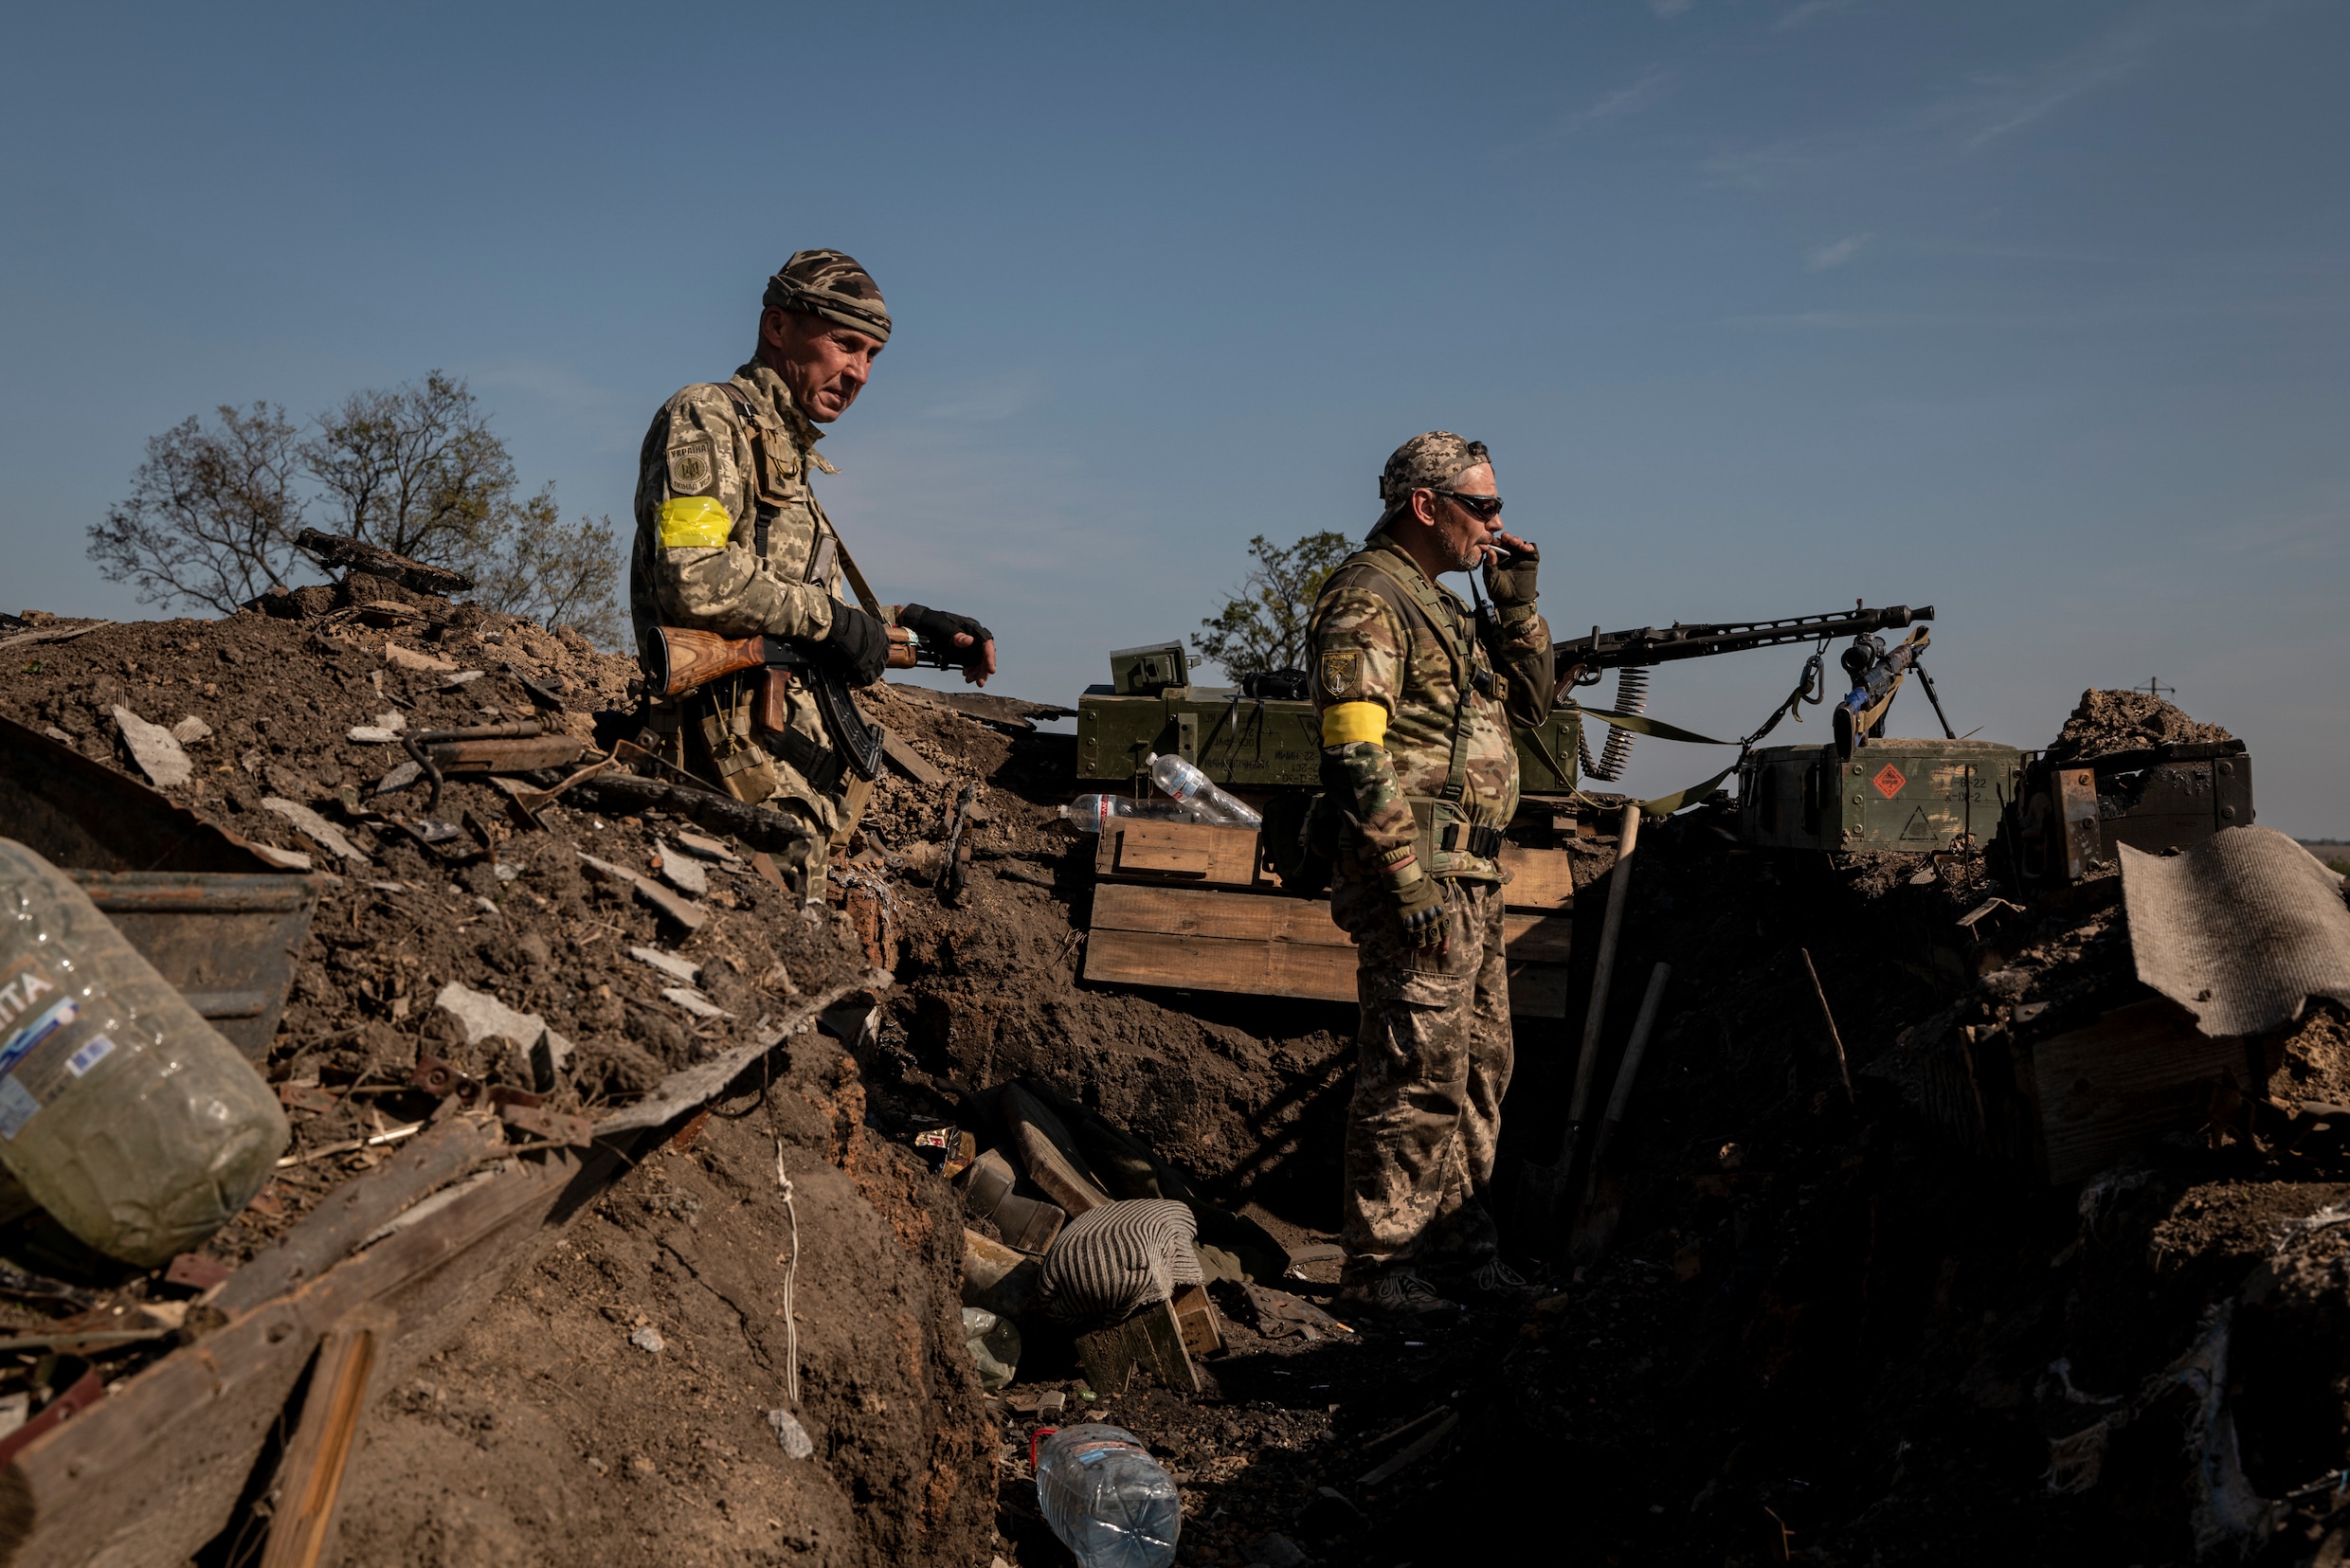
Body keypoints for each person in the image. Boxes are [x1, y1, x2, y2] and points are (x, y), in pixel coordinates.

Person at [628, 249, 995, 900]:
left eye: (872, 356)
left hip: (776, 742)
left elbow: (794, 610)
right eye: (844, 344)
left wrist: (909, 625)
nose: (858, 372)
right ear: (778, 326)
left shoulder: (786, 451)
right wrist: (833, 620)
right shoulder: (708, 416)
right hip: (722, 736)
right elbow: (695, 576)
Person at [1307, 432, 1555, 1317]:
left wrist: (1518, 608)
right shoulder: (1371, 597)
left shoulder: (1445, 607)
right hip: (1419, 873)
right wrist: (1405, 878)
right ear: (1426, 504)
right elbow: (1352, 748)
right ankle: (1380, 1269)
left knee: (1480, 1066)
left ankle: (1460, 1252)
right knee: (1412, 1069)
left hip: (1472, 874)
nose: (1497, 525)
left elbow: (1529, 708)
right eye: (1483, 507)